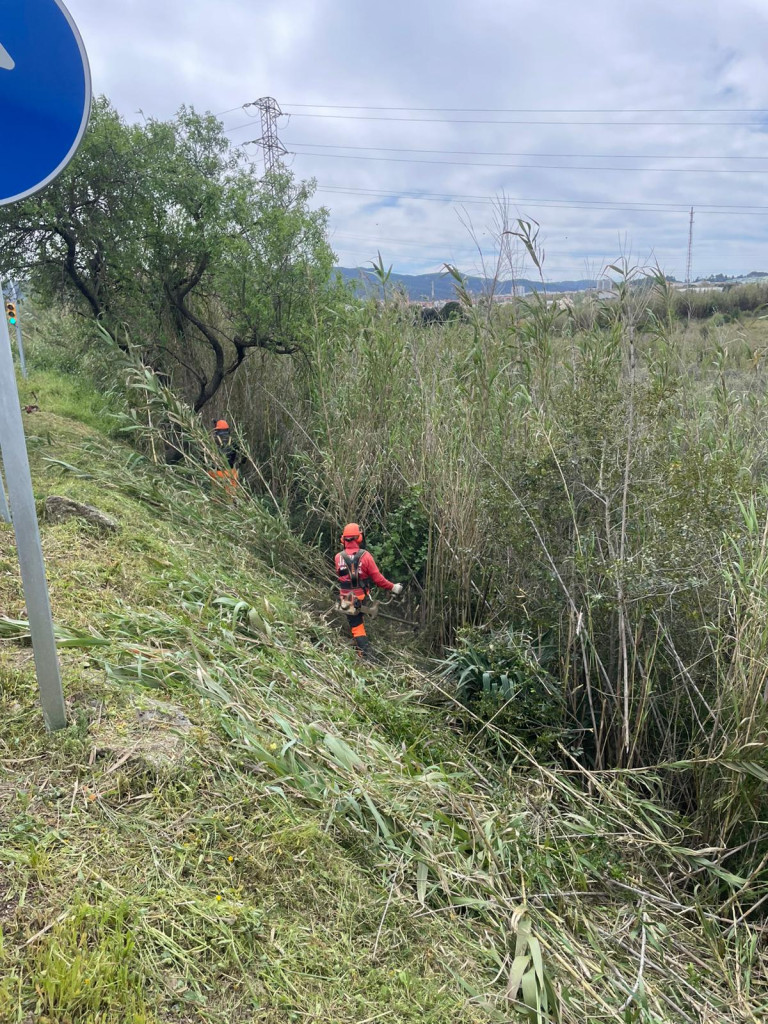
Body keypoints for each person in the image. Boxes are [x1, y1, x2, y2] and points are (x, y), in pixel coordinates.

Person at [335, 523, 403, 659]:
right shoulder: (365, 556)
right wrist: (393, 587)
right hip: (360, 596)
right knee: (357, 626)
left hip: (346, 597)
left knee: (355, 623)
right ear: (359, 538)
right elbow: (378, 579)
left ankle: (359, 651)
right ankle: (366, 656)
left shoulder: (338, 557)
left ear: (343, 539)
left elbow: (344, 576)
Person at [209, 418, 239, 496]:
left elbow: (204, 455)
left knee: (217, 496)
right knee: (231, 496)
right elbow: (243, 455)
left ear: (217, 430)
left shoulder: (213, 441)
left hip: (216, 472)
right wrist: (241, 462)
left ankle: (217, 506)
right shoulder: (233, 441)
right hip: (231, 472)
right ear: (227, 429)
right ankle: (232, 506)